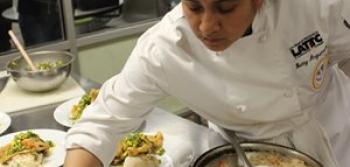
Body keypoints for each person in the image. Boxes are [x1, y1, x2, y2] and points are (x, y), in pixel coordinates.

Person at [64, 0, 350, 166]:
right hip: (248, 153)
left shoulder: (311, 6)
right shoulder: (165, 49)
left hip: (335, 132)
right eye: (194, 6)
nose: (206, 26)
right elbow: (100, 125)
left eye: (225, 8)